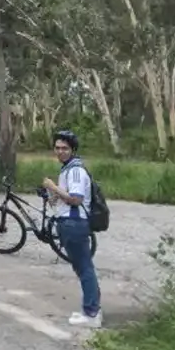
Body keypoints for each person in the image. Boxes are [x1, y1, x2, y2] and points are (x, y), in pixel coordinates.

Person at [45, 130, 103, 328]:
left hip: (74, 223)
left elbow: (76, 199)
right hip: (67, 222)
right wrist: (54, 194)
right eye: (58, 148)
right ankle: (91, 308)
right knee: (81, 267)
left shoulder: (75, 171)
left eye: (65, 148)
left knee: (84, 267)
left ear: (73, 150)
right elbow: (65, 197)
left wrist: (53, 187)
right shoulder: (67, 170)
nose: (60, 152)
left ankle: (91, 312)